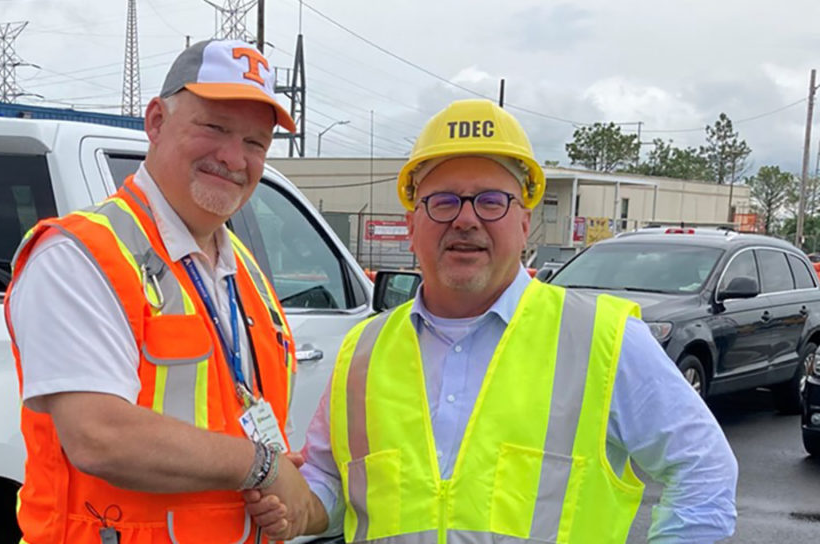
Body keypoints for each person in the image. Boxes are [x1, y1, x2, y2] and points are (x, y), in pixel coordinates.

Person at [245, 99, 738, 542]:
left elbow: (705, 474)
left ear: (524, 222)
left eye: (490, 200)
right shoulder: (363, 351)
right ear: (413, 225)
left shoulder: (601, 340)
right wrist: (297, 509)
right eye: (443, 201)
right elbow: (333, 488)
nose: (465, 219)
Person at [5, 39, 316, 544]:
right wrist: (260, 466)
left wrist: (278, 482)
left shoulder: (247, 274)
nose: (234, 157)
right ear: (155, 120)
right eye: (214, 127)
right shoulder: (80, 254)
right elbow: (99, 436)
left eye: (256, 143)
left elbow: (242, 423)